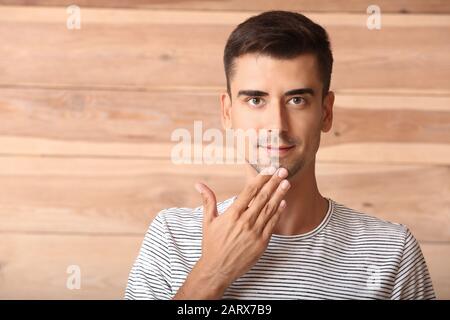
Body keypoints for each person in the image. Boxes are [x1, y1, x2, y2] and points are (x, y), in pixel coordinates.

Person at [125, 10, 435, 300]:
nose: (277, 125)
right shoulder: (172, 238)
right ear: (228, 112)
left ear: (326, 113)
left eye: (297, 100)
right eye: (256, 100)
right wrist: (213, 272)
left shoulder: (391, 251)